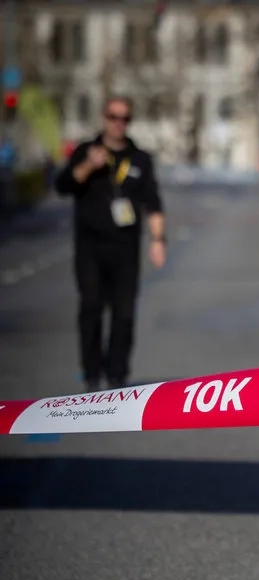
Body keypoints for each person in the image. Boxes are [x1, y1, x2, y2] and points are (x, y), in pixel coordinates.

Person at [54, 95, 166, 392]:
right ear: (104, 118)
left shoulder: (140, 159)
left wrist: (158, 240)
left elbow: (153, 202)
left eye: (124, 118)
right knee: (91, 307)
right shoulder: (86, 151)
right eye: (113, 117)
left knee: (124, 313)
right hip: (90, 247)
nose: (118, 123)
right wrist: (89, 166)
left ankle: (117, 377)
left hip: (126, 248)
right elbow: (63, 185)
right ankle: (91, 375)